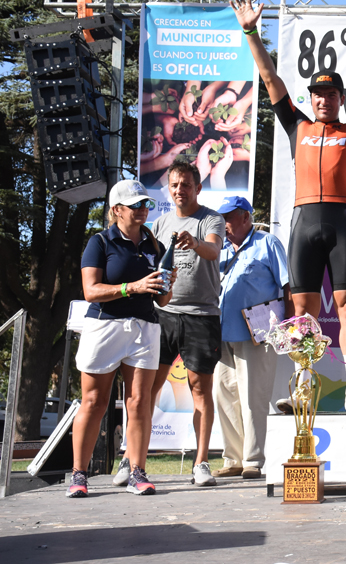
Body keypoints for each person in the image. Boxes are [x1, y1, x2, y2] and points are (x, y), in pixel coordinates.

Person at [232, 0, 346, 413]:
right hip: (304, 223)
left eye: (331, 95)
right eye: (318, 94)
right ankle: (301, 386)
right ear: (311, 98)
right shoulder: (296, 125)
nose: (323, 100)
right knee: (302, 310)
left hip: (342, 223)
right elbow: (271, 80)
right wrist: (251, 33)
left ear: (341, 99)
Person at [73, 180, 175, 497]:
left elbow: (163, 301)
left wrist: (167, 285)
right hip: (105, 327)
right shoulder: (100, 242)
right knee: (94, 401)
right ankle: (78, 475)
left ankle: (137, 472)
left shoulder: (155, 245)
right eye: (135, 205)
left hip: (145, 328)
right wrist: (132, 287)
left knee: (140, 402)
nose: (142, 210)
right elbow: (91, 291)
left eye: (146, 204)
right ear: (117, 210)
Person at [149, 161, 226, 488]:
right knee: (148, 389)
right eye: (174, 185)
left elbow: (213, 250)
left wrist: (195, 243)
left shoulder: (211, 219)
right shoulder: (159, 223)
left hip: (201, 316)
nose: (180, 190)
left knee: (200, 390)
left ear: (198, 188)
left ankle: (201, 462)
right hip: (162, 315)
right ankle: (133, 461)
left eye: (186, 185)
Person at [212, 196, 291, 480]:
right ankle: (233, 459)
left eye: (228, 217)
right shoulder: (217, 249)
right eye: (221, 218)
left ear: (246, 217)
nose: (223, 223)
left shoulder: (267, 243)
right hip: (221, 334)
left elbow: (287, 285)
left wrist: (289, 325)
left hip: (257, 334)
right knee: (223, 396)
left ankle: (253, 460)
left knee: (253, 398)